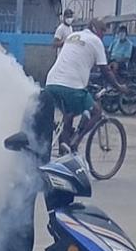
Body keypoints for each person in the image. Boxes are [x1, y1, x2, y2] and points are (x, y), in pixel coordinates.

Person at [39, 15, 108, 154]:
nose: (103, 35)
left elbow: (77, 59)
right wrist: (120, 87)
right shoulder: (95, 41)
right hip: (70, 85)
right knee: (96, 112)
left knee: (69, 114)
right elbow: (105, 70)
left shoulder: (73, 35)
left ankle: (63, 151)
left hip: (51, 82)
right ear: (95, 29)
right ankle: (76, 141)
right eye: (103, 31)